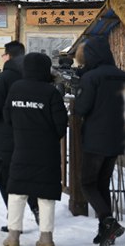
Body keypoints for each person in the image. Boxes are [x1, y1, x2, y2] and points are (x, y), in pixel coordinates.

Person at [2, 52, 68, 246]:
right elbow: (60, 124)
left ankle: (13, 237)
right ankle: (46, 238)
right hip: (46, 152)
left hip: (21, 148)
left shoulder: (15, 89)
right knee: (45, 195)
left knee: (17, 193)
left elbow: (7, 117)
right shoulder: (51, 92)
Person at [75, 37, 125, 246]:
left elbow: (81, 108)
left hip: (96, 138)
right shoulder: (122, 76)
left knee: (87, 183)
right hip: (118, 137)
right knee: (102, 184)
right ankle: (106, 232)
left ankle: (108, 222)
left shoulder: (91, 78)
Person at [0, 41, 39, 233]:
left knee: (4, 175)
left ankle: (14, 219)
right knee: (26, 174)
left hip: (6, 134)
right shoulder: (35, 77)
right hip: (32, 134)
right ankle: (36, 208)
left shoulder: (5, 77)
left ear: (8, 56)